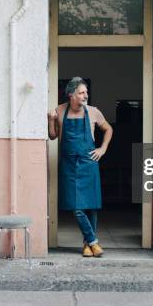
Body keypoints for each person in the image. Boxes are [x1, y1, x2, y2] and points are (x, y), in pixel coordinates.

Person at [48, 77, 113, 258]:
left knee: (91, 205)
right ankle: (94, 241)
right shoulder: (59, 111)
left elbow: (108, 129)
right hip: (68, 165)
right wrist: (50, 120)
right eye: (82, 92)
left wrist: (103, 149)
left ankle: (87, 245)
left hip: (88, 163)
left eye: (86, 92)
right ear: (71, 95)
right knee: (76, 206)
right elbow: (53, 136)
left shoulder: (93, 112)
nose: (86, 95)